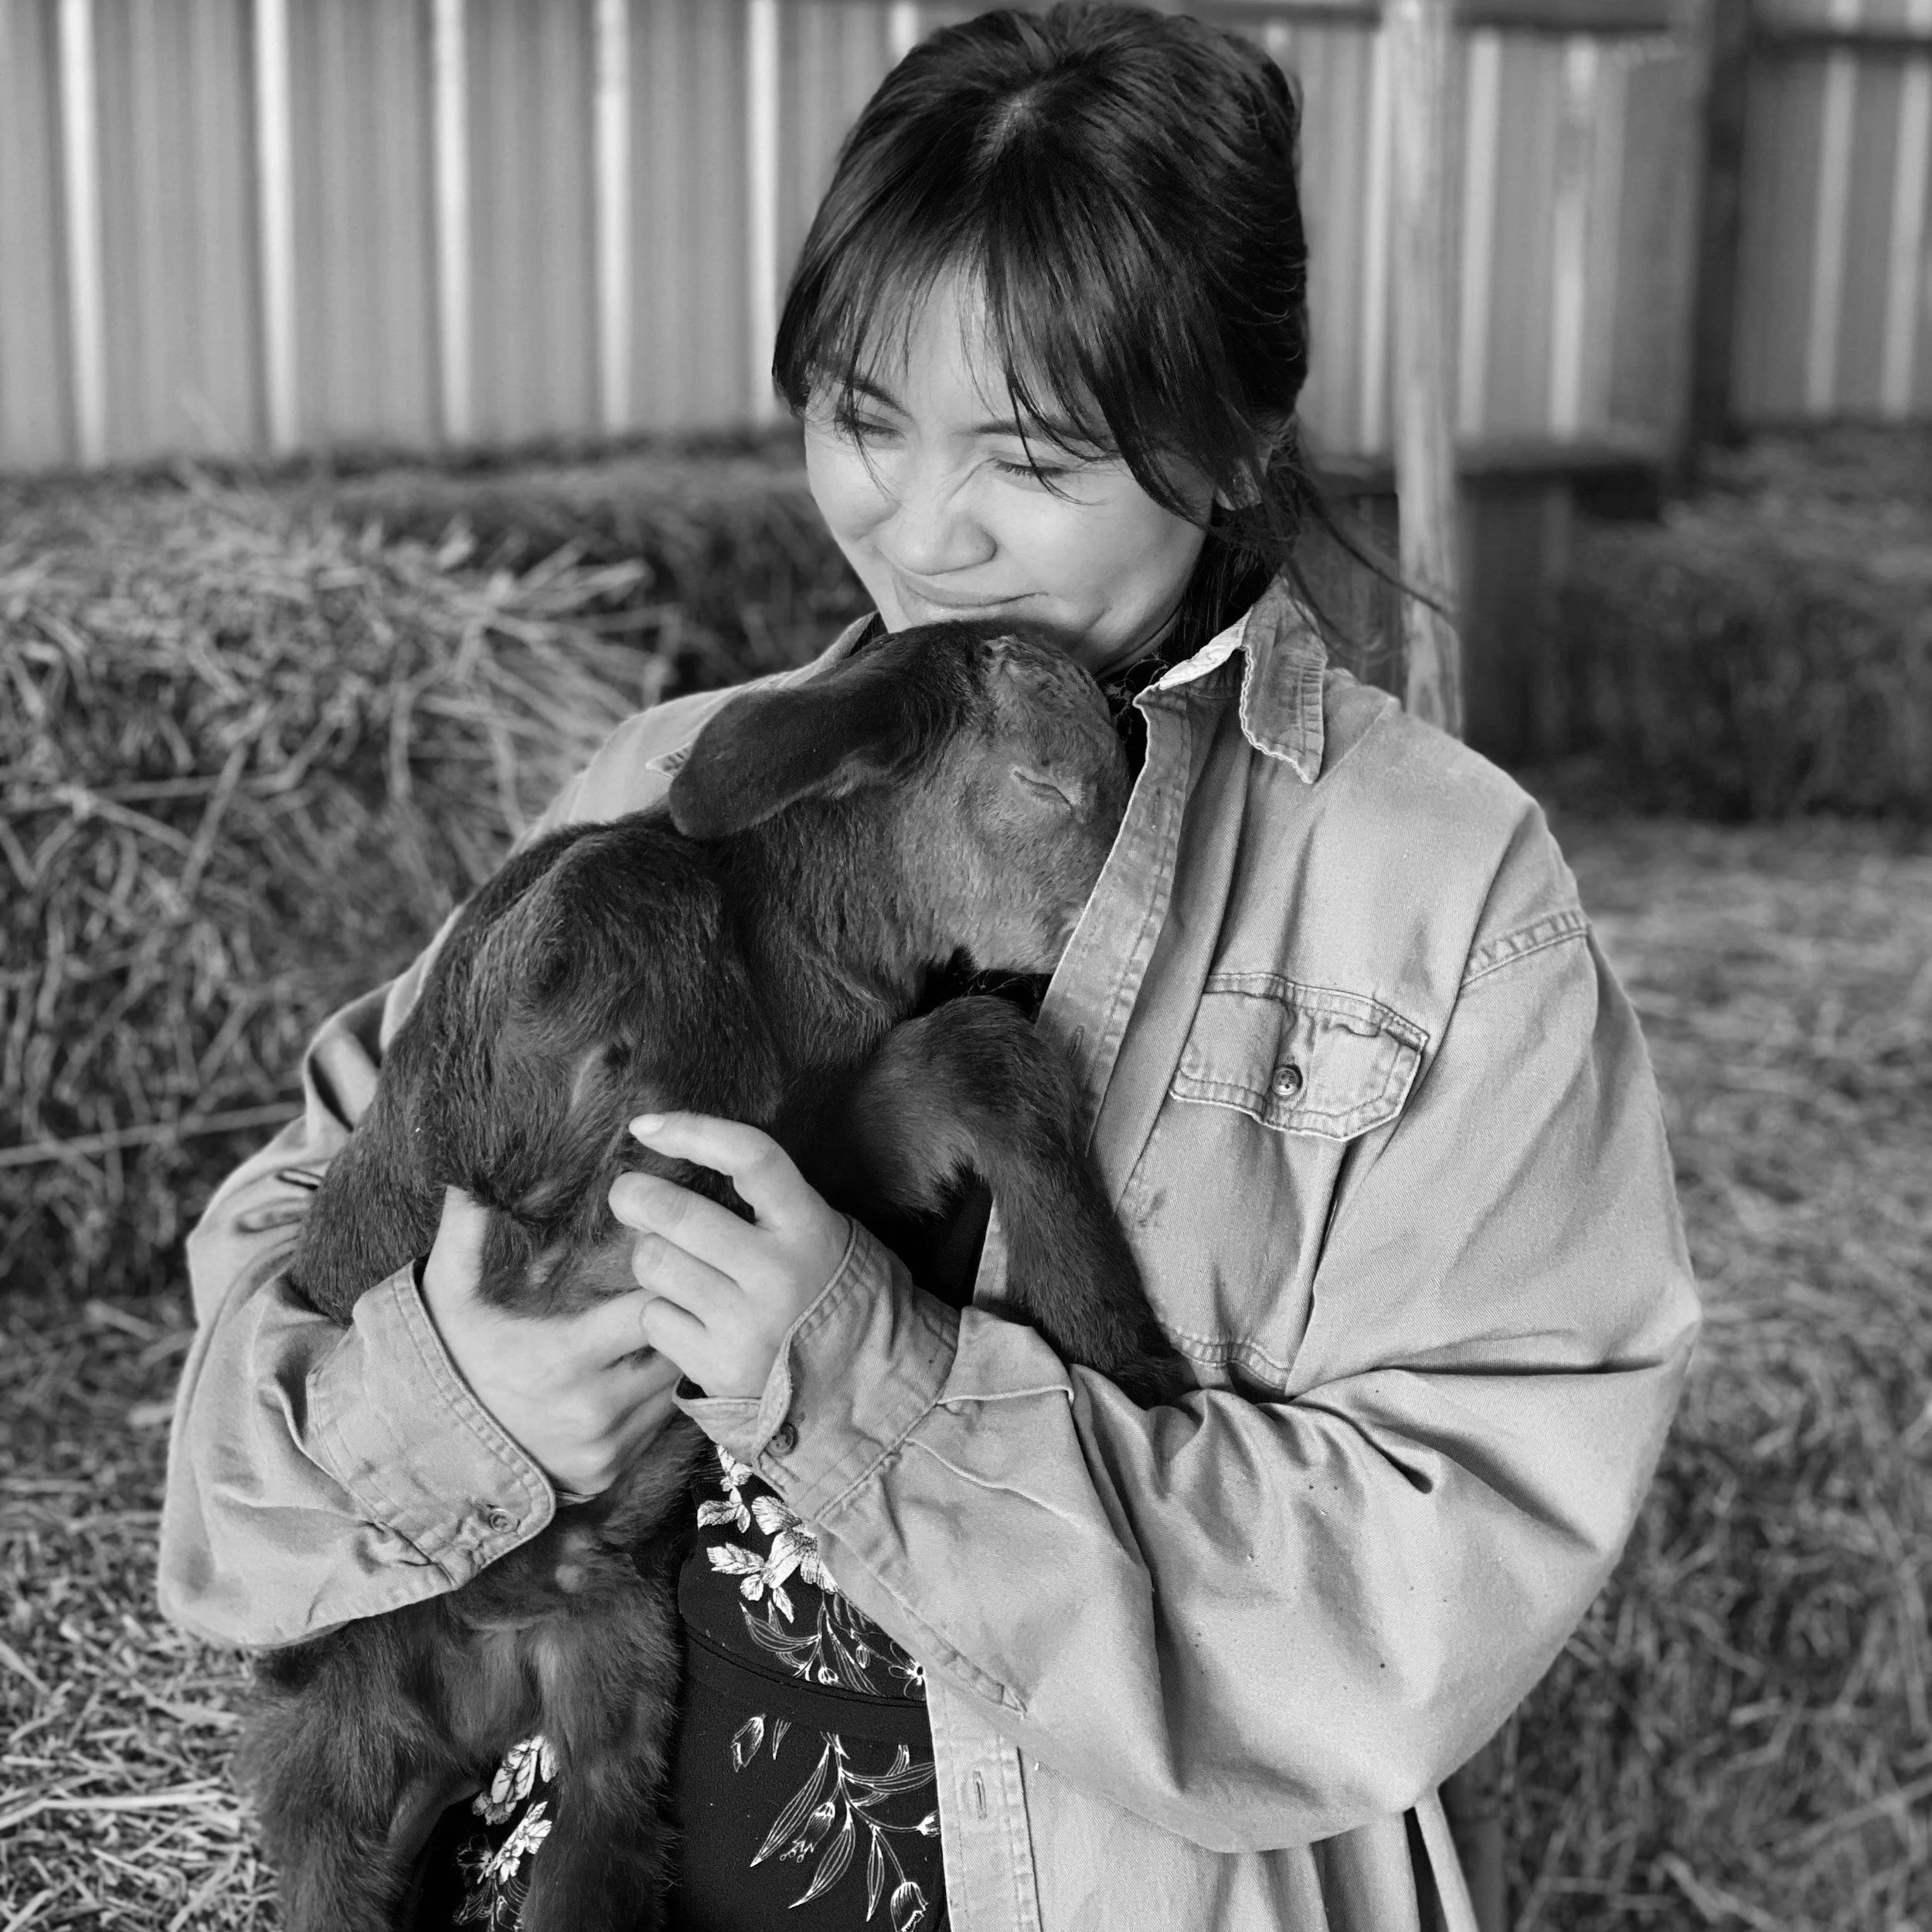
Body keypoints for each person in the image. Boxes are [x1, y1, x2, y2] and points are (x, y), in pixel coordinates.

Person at [158, 7, 1699, 1929]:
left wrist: (873, 1390)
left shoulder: (1434, 901)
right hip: (607, 1847)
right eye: (863, 421)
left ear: (1229, 443)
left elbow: (1421, 1589)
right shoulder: (681, 793)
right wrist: (461, 1393)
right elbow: (255, 1369)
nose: (922, 527)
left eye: (1031, 453)